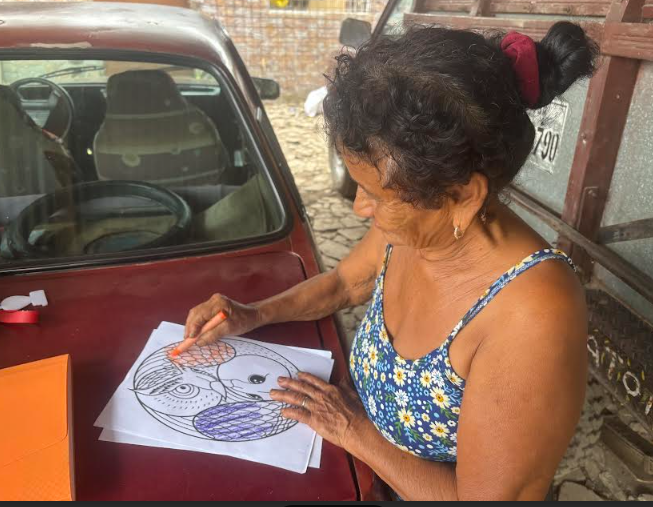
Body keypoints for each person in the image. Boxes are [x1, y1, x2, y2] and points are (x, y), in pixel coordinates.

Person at [184, 22, 598, 500]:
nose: (361, 208)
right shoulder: (415, 224)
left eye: (376, 195)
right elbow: (343, 283)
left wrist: (354, 430)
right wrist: (254, 314)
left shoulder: (533, 312)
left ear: (463, 196)